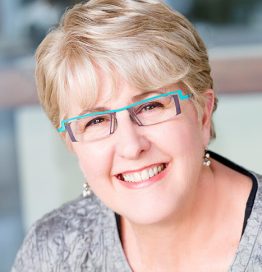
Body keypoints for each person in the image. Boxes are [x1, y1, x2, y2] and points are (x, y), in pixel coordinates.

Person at [12, 0, 262, 271]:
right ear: (71, 144)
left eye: (150, 106)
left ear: (202, 114)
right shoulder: (52, 251)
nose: (131, 146)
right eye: (96, 120)